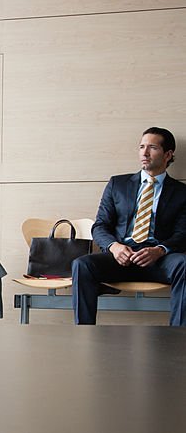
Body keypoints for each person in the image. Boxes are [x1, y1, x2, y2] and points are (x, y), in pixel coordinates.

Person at [72, 127, 186, 325]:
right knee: (82, 265)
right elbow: (100, 226)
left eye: (152, 147)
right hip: (121, 256)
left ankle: (179, 338)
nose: (144, 152)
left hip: (160, 259)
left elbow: (183, 233)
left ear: (168, 155)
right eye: (141, 147)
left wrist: (159, 250)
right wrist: (114, 247)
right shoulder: (118, 184)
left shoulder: (181, 192)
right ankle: (84, 332)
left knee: (185, 265)